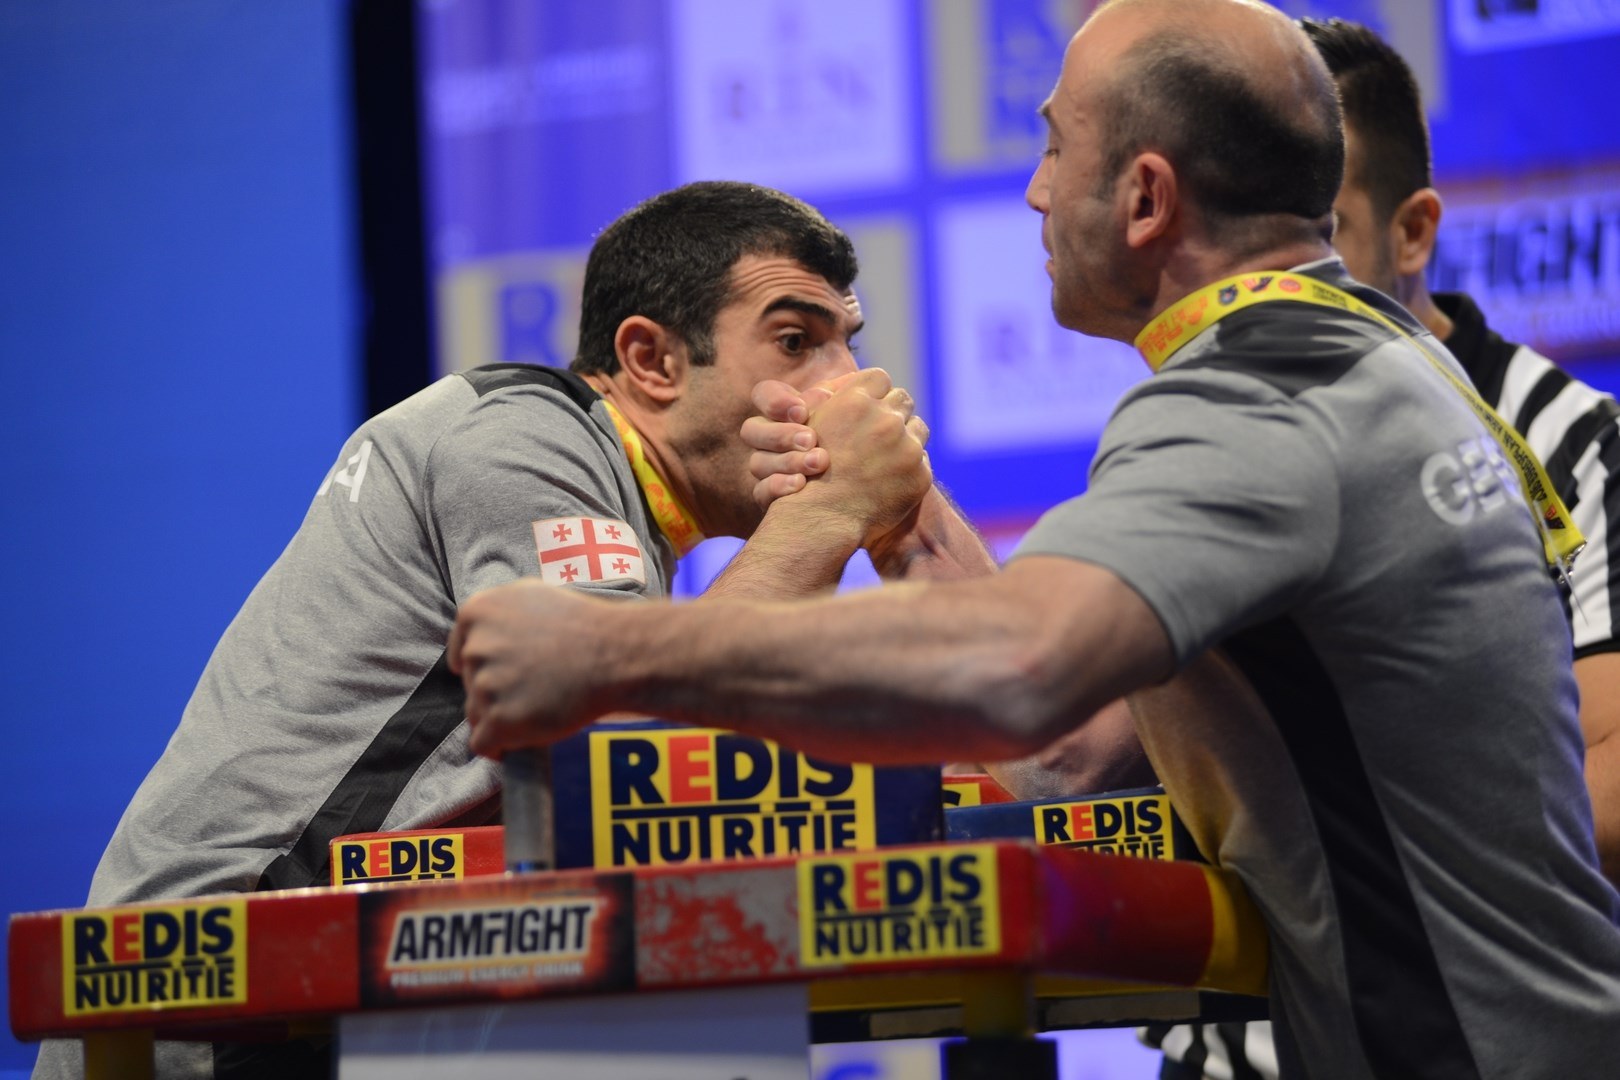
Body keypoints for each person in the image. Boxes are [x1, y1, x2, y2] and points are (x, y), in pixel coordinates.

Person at [448, 2, 1620, 1076]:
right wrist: (893, 506)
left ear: (1147, 198)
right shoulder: (1366, 353)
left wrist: (614, 654)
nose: (1032, 191)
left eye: (1056, 147)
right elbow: (1069, 754)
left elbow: (1017, 668)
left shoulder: (1263, 394)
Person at [34, 180, 986, 1080]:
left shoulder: (620, 509)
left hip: (354, 980)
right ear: (651, 360)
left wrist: (903, 511)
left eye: (848, 347)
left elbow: (1005, 735)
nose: (846, 389)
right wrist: (828, 515)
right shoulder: (524, 439)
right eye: (795, 343)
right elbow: (625, 763)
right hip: (222, 988)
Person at [1145, 17, 1620, 1078]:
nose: (1268, 274)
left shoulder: (1581, 445)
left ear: (1412, 234)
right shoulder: (1184, 436)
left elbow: (1609, 790)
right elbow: (1073, 753)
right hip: (1228, 1053)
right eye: (1238, 225)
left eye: (1320, 229)